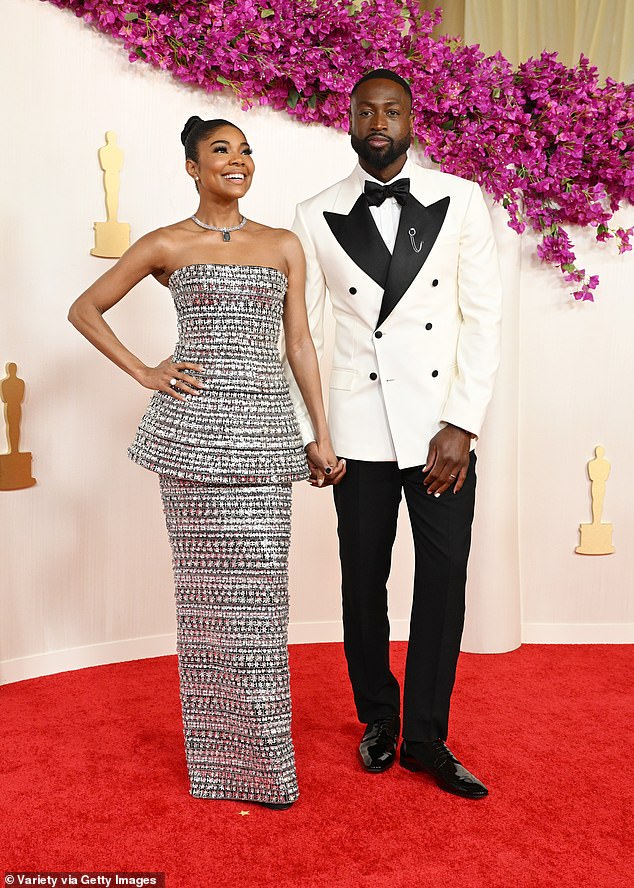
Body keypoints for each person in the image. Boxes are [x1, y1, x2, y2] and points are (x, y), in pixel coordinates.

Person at [68, 116, 345, 809]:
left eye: (245, 150)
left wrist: (321, 433)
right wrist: (144, 371)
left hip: (262, 436)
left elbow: (301, 346)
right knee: (206, 607)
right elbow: (86, 309)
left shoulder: (282, 245)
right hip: (191, 442)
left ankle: (268, 768)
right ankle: (219, 768)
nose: (238, 160)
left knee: (262, 606)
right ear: (192, 167)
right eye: (221, 150)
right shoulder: (166, 243)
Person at [283, 70, 502, 799]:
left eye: (394, 109)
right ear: (348, 118)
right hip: (356, 427)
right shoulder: (314, 213)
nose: (380, 121)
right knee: (362, 580)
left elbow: (482, 318)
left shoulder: (463, 200)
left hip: (441, 426)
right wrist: (314, 429)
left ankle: (427, 738)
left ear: (413, 118)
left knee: (442, 580)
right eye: (367, 110)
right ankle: (378, 717)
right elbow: (306, 332)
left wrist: (462, 423)